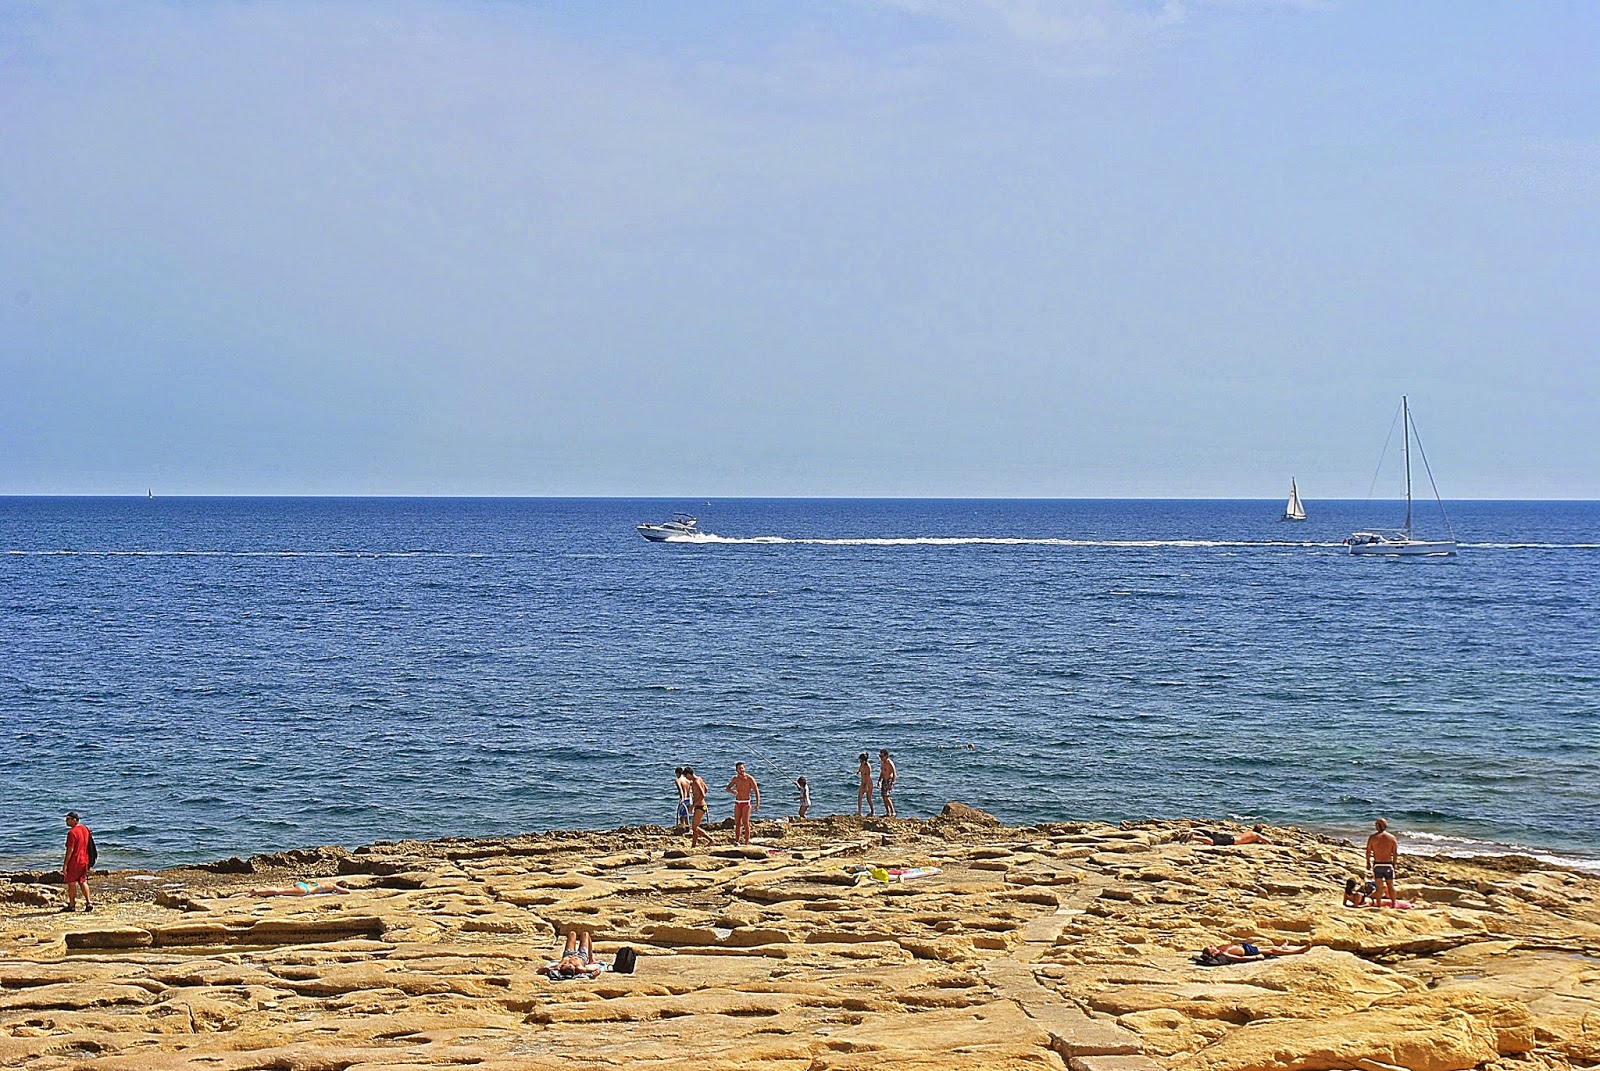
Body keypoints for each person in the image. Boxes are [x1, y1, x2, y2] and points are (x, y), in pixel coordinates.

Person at [61, 812, 93, 913]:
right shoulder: (85, 828)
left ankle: (72, 905)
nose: (66, 821)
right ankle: (88, 902)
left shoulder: (72, 833)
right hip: (85, 859)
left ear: (75, 819)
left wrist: (65, 864)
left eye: (68, 819)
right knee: (82, 881)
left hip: (75, 861)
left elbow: (70, 850)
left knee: (71, 883)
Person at [1366, 817, 1400, 908]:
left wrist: (1368, 862)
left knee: (1379, 887)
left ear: (1378, 826)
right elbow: (1395, 853)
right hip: (1388, 864)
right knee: (1390, 886)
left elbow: (1368, 851)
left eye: (1376, 824)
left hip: (1378, 864)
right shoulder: (1392, 838)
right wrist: (1394, 864)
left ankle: (1379, 905)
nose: (1375, 825)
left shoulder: (1373, 838)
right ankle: (1393, 904)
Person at [726, 761, 761, 845]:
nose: (742, 770)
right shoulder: (735, 779)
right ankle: (737, 841)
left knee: (745, 822)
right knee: (737, 822)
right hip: (738, 802)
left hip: (746, 802)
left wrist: (757, 803)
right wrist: (732, 791)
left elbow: (756, 791)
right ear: (736, 770)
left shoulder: (749, 778)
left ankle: (746, 842)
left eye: (742, 768)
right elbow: (727, 788)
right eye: (740, 768)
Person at [1198, 941, 1309, 964]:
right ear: (1213, 954)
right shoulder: (1223, 954)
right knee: (1272, 951)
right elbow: (1238, 959)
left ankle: (1283, 947)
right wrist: (1256, 957)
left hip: (1244, 946)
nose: (1214, 947)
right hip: (1247, 951)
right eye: (1212, 949)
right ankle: (1297, 951)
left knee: (1268, 947)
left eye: (1212, 946)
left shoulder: (1220, 948)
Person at [685, 766, 715, 847]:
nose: (686, 778)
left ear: (688, 774)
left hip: (700, 806)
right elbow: (706, 788)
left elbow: (703, 794)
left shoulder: (696, 782)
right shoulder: (699, 779)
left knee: (694, 827)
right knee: (696, 827)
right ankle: (693, 845)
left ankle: (711, 840)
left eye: (686, 776)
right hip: (702, 806)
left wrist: (693, 805)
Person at [1182, 824, 1272, 846]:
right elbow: (1268, 841)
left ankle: (1197, 835)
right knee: (1212, 842)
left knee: (1212, 837)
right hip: (1232, 841)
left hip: (1229, 836)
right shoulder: (1257, 835)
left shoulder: (1249, 832)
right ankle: (1193, 837)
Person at [249, 879, 352, 897]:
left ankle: (259, 891)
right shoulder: (332, 886)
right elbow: (347, 892)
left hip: (302, 884)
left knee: (279, 888)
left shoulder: (327, 883)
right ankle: (257, 891)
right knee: (279, 891)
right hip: (304, 891)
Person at [878, 749, 897, 817]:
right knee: (884, 797)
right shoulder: (882, 763)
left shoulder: (890, 763)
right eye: (880, 756)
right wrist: (879, 781)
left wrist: (892, 783)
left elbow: (895, 774)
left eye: (882, 756)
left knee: (886, 797)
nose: (881, 758)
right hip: (884, 781)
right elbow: (882, 772)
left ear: (886, 756)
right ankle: (888, 812)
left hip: (889, 780)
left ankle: (893, 812)